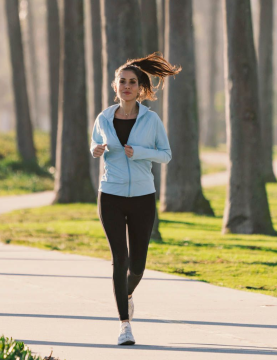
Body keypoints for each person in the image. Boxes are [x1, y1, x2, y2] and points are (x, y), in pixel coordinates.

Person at [90, 53, 180, 345]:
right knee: (120, 259)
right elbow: (94, 142)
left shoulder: (151, 120)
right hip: (111, 195)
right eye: (122, 82)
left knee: (137, 266)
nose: (127, 86)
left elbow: (166, 155)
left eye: (132, 82)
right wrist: (96, 150)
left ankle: (125, 294)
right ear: (114, 86)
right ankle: (124, 325)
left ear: (140, 88)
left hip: (143, 196)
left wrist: (139, 152)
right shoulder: (103, 117)